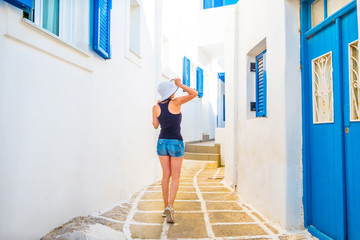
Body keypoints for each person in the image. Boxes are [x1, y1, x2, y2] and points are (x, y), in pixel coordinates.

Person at [152, 78, 198, 223]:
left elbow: (155, 125)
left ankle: (165, 207)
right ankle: (170, 207)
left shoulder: (155, 107)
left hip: (161, 142)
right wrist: (180, 84)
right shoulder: (176, 102)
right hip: (176, 142)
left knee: (166, 175)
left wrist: (161, 111)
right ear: (171, 92)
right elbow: (194, 93)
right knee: (175, 177)